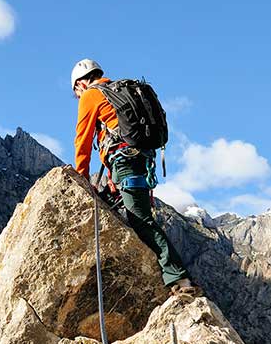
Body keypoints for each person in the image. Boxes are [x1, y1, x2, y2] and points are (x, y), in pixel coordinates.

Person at [70, 58, 200, 296]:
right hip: (139, 160)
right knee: (114, 203)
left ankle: (180, 279)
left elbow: (83, 140)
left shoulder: (91, 95)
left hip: (126, 162)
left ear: (80, 84)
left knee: (140, 220)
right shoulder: (117, 91)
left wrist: (80, 177)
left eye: (76, 93)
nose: (78, 98)